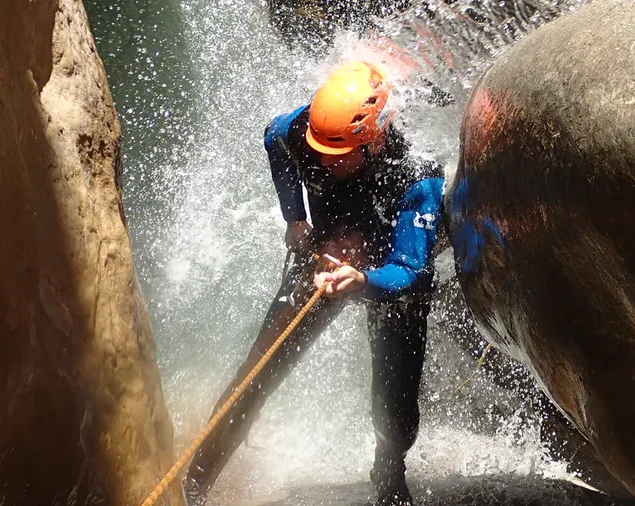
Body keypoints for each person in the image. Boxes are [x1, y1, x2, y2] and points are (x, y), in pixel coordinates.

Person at [184, 60, 444, 506]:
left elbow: (412, 269)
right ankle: (192, 487)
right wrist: (294, 218)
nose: (324, 160)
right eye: (320, 149)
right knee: (255, 377)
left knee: (395, 412)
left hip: (389, 280)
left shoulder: (417, 178)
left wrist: (362, 279)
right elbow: (273, 137)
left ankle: (389, 474)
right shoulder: (306, 130)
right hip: (324, 259)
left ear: (374, 139)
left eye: (338, 155)